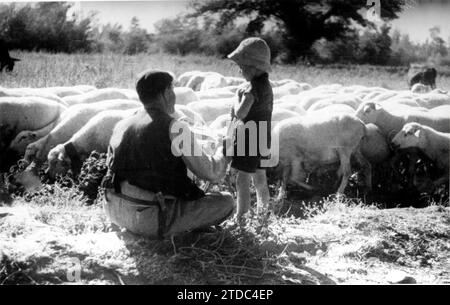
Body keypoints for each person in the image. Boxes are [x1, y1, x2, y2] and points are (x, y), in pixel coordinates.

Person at [102, 70, 234, 239]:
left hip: (113, 210)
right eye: (172, 89)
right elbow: (211, 173)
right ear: (166, 93)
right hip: (147, 218)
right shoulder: (176, 127)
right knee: (226, 202)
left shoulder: (122, 124)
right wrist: (225, 150)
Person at [227, 37, 274, 219]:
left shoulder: (252, 89)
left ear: (253, 67)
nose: (240, 70)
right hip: (263, 136)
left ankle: (241, 216)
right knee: (260, 177)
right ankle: (263, 212)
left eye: (242, 66)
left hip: (250, 138)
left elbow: (240, 113)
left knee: (242, 179)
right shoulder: (266, 85)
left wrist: (236, 100)